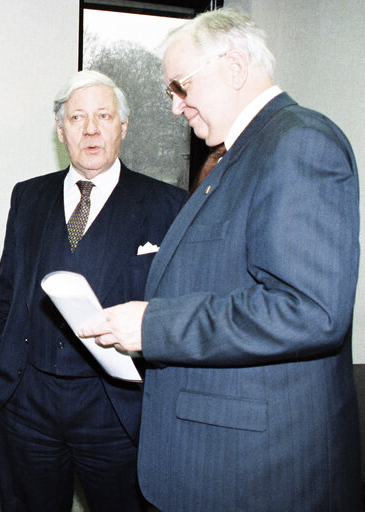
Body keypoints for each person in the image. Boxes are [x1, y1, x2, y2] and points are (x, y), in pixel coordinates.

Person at [79, 8, 361, 511]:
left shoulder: (299, 142)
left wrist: (154, 326)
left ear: (233, 67)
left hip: (258, 473)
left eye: (181, 87)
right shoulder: (241, 154)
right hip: (218, 462)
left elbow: (310, 310)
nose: (175, 107)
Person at [0, 70, 185, 511]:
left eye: (104, 116)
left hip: (116, 409)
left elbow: (176, 307)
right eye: (77, 118)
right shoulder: (28, 197)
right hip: (27, 403)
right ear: (60, 129)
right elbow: (7, 291)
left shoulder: (169, 204)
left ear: (123, 126)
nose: (91, 129)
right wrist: (4, 363)